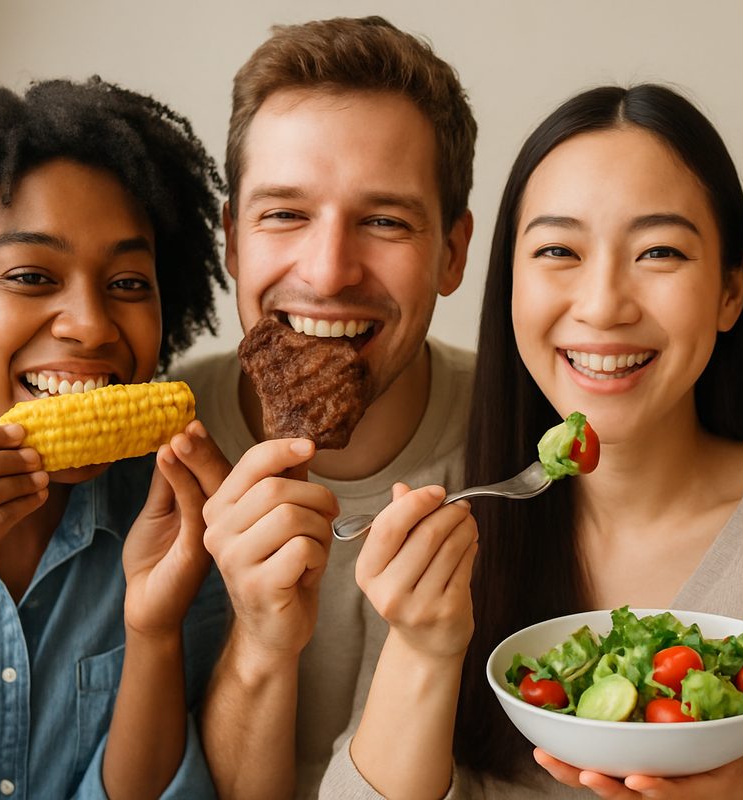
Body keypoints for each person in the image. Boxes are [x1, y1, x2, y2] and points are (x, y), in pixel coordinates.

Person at [322, 83, 743, 799]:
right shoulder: (444, 511)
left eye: (659, 251)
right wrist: (424, 645)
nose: (602, 305)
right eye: (558, 250)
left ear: (731, 292)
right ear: (509, 284)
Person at [0, 78, 233, 797]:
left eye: (129, 283)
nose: (92, 325)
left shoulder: (179, 521)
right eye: (32, 275)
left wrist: (154, 632)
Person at [174, 16, 477, 798]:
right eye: (284, 213)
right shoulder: (162, 452)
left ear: (451, 252)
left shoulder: (525, 445)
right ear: (232, 242)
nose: (330, 270)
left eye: (384, 221)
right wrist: (261, 642)